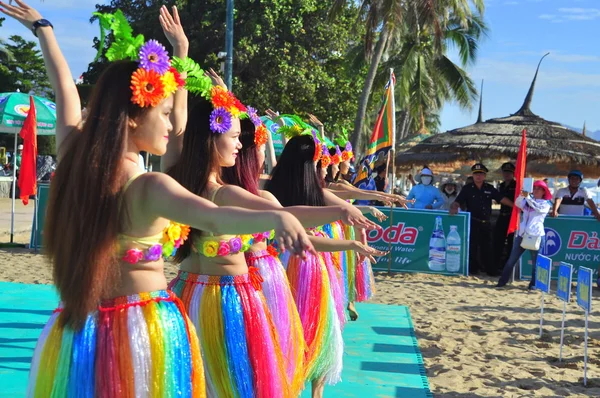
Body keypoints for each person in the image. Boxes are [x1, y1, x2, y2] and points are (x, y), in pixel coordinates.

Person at [3, 2, 313, 395]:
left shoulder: (77, 157)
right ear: (134, 116)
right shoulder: (149, 187)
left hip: (79, 329)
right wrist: (276, 218)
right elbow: (215, 218)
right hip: (142, 328)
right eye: (164, 114)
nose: (171, 124)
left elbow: (64, 89)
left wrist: (44, 29)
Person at [450, 163, 513, 275]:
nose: (478, 176)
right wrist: (454, 207)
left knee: (488, 247)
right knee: (472, 246)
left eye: (481, 174)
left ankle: (490, 270)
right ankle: (472, 269)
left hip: (486, 223)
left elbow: (501, 199)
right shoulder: (467, 188)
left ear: (484, 176)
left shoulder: (489, 188)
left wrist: (515, 206)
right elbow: (457, 201)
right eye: (476, 174)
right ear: (473, 176)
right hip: (472, 222)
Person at [496, 180, 552, 289]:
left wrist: (528, 198)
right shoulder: (527, 201)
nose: (535, 190)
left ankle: (533, 285)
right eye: (534, 188)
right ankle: (502, 282)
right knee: (511, 260)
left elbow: (537, 208)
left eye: (538, 189)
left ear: (543, 192)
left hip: (536, 236)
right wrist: (522, 195)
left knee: (536, 263)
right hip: (523, 235)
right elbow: (517, 203)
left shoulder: (546, 204)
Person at [492, 162, 517, 276]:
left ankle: (508, 268)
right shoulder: (501, 186)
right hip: (502, 216)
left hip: (513, 217)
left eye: (509, 172)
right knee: (498, 242)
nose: (507, 174)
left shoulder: (517, 185)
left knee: (512, 243)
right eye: (505, 172)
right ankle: (496, 267)